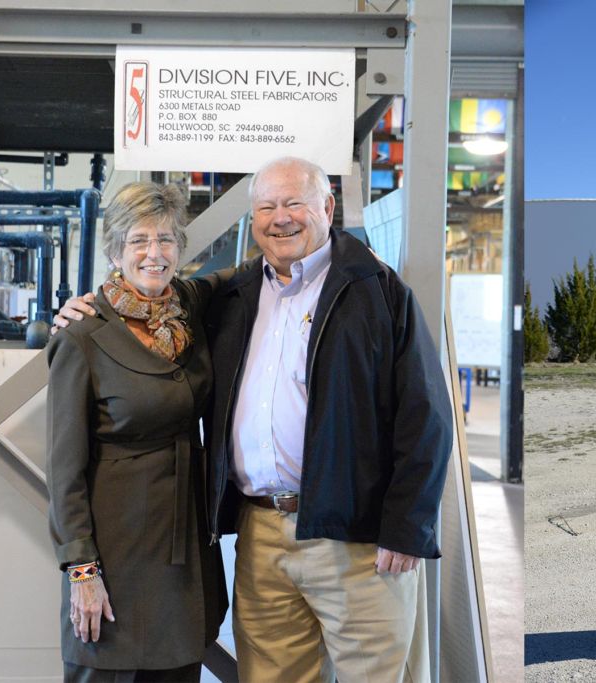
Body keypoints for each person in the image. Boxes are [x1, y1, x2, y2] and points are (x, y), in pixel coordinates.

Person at [57, 156, 453, 682]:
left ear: (327, 208)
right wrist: (81, 309)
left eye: (294, 203)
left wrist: (409, 526)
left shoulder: (376, 291)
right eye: (266, 206)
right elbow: (66, 463)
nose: (279, 218)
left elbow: (425, 416)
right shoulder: (236, 295)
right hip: (260, 534)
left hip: (354, 539)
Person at [46, 182, 228, 682]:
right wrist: (81, 571)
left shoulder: (186, 311)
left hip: (183, 552)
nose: (154, 253)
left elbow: (251, 273)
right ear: (114, 250)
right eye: (139, 240)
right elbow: (64, 472)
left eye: (167, 239)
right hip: (114, 555)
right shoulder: (83, 336)